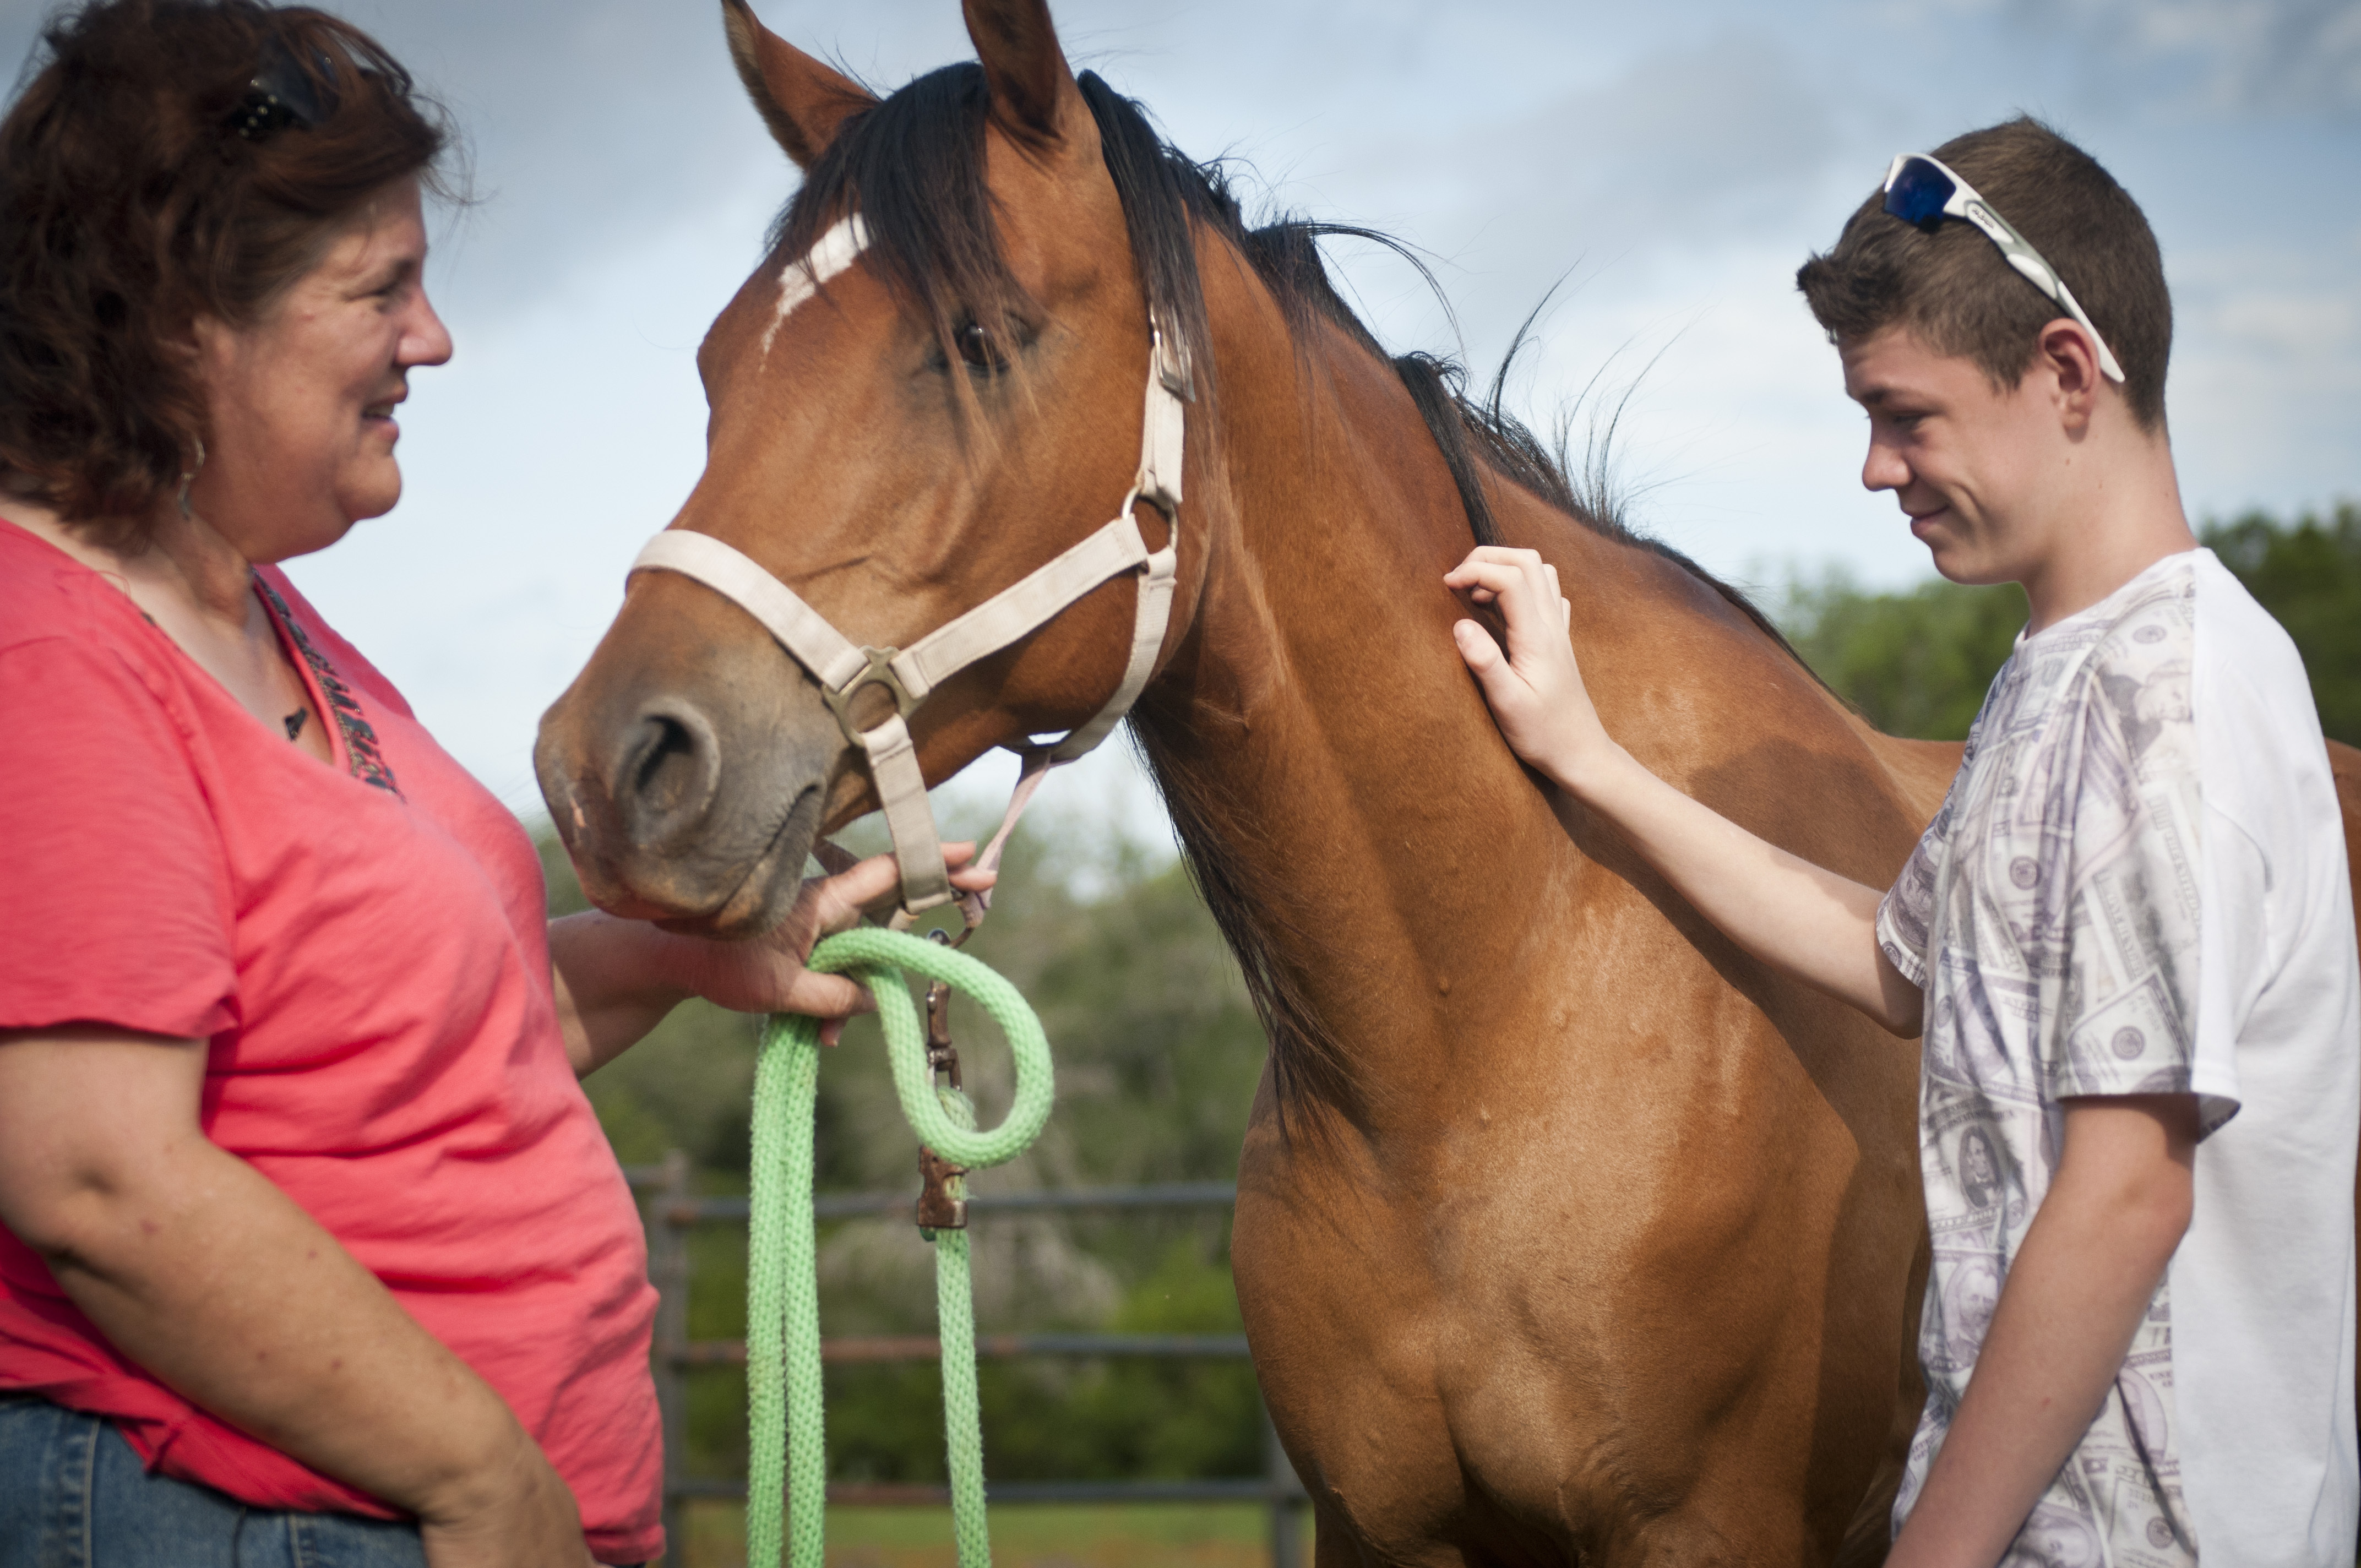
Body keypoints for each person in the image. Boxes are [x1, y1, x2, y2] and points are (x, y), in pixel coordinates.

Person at [0, 4, 986, 1564]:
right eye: (381, 288)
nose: (434, 339)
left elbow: (423, 1048)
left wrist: (695, 954)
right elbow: (97, 1176)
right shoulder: (45, 654)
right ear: (184, 316)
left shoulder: (262, 620)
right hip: (268, 1523)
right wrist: (479, 1473)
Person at [1446, 117, 2359, 1566]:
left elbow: (2127, 1190)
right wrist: (1589, 761)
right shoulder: (2061, 679)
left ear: (2066, 372)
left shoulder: (2168, 703)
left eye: (1906, 414)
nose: (1876, 469)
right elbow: (1899, 954)